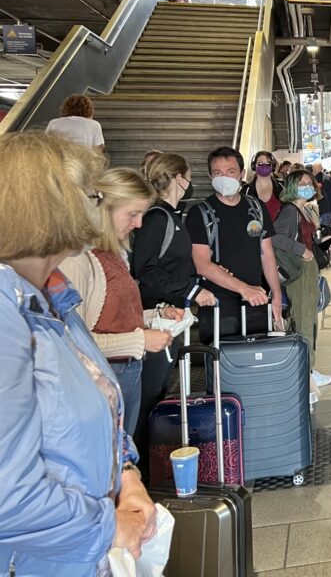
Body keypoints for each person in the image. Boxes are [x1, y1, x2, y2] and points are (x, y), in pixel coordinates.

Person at [0, 132, 157, 575]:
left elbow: (94, 405)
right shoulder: (6, 315)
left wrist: (127, 477)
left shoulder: (53, 300)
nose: (99, 205)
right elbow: (7, 496)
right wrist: (107, 526)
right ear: (50, 206)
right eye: (92, 193)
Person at [61, 169, 180, 436]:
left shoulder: (115, 254)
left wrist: (154, 315)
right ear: (105, 210)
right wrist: (140, 341)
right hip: (103, 375)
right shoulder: (77, 261)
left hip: (127, 369)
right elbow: (71, 343)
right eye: (132, 214)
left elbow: (115, 313)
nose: (138, 224)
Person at [132, 153, 217, 474]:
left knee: (159, 389)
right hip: (156, 316)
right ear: (178, 178)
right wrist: (191, 291)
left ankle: (148, 467)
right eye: (189, 175)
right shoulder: (157, 218)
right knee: (149, 394)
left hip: (170, 315)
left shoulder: (171, 215)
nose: (190, 182)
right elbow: (146, 269)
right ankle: (139, 472)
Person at [186, 146, 284, 341]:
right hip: (217, 306)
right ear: (209, 176)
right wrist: (244, 289)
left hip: (256, 301)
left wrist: (277, 295)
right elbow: (202, 265)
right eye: (217, 173)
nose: (224, 177)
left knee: (258, 360)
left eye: (230, 172)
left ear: (242, 174)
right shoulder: (200, 214)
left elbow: (266, 254)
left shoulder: (256, 208)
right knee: (220, 365)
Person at [275, 170, 331, 387]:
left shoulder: (304, 210)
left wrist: (322, 243)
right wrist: (301, 250)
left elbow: (307, 238)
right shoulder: (290, 211)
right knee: (303, 318)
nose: (307, 186)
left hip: (309, 268)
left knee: (310, 318)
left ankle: (309, 367)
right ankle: (305, 371)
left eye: (310, 182)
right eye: (301, 183)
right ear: (291, 186)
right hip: (300, 272)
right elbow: (275, 237)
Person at [243, 150, 284, 221]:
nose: (264, 166)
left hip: (281, 230)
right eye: (260, 163)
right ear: (254, 166)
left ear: (273, 166)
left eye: (268, 164)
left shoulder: (282, 186)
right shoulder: (246, 189)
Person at [312, 161, 331, 227]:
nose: (312, 171)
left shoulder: (316, 179)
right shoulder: (330, 178)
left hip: (322, 208)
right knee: (328, 228)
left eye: (313, 169)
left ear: (315, 169)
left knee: (323, 228)